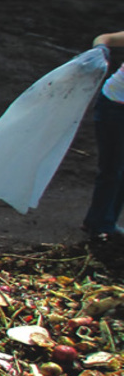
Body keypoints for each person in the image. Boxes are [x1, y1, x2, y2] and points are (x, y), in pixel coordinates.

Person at [83, 31, 124, 239]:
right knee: (113, 168)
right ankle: (101, 226)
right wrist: (101, 50)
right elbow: (104, 38)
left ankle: (102, 221)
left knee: (118, 169)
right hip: (114, 108)